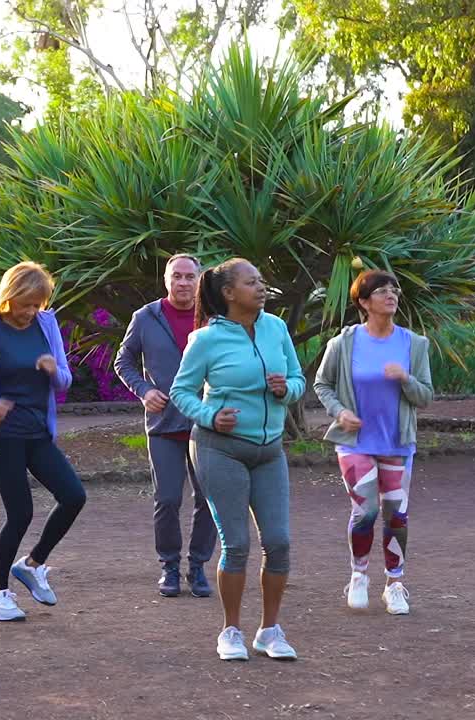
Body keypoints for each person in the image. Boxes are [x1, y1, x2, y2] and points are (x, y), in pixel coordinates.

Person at [169, 257, 305, 662]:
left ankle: (269, 630)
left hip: (269, 451)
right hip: (219, 449)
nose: (261, 288)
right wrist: (211, 415)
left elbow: (299, 379)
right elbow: (182, 392)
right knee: (237, 543)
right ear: (229, 293)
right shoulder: (206, 340)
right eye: (252, 282)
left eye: (262, 281)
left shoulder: (276, 328)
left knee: (278, 543)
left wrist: (286, 390)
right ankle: (230, 630)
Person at [0, 261, 86, 622]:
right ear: (9, 297)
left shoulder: (47, 324)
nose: (31, 312)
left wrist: (54, 371)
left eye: (37, 304)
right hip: (5, 436)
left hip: (38, 431)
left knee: (73, 496)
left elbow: (65, 380)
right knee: (20, 513)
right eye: (26, 304)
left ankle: (33, 563)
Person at [313, 269, 433, 616]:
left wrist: (405, 378)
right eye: (381, 291)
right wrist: (339, 412)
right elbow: (322, 385)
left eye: (394, 289)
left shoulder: (415, 344)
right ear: (364, 302)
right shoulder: (344, 343)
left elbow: (425, 396)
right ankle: (358, 575)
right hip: (355, 443)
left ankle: (395, 584)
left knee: (396, 515)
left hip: (397, 443)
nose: (391, 295)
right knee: (365, 510)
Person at [114, 254, 217, 598]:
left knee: (208, 499)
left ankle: (198, 566)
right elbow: (123, 360)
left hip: (207, 424)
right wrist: (143, 390)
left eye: (190, 276)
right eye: (177, 276)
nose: (183, 283)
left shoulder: (214, 318)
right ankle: (169, 566)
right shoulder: (146, 317)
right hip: (164, 424)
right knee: (168, 498)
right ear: (166, 279)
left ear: (199, 280)